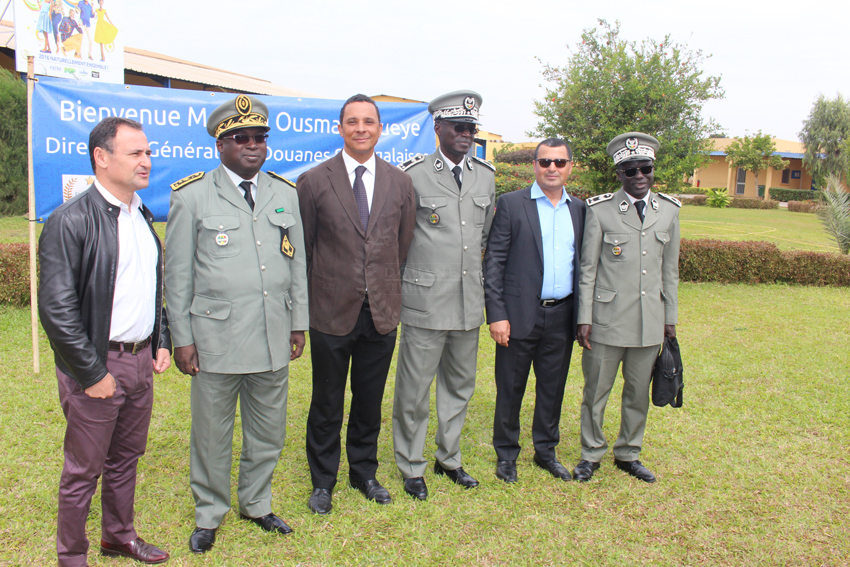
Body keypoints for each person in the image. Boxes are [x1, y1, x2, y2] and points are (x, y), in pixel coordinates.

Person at [164, 95, 308, 553]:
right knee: (212, 432)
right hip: (215, 338)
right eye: (240, 138)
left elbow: (296, 264)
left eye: (259, 138)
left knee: (268, 430)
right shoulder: (191, 196)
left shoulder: (285, 193)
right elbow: (178, 275)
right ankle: (209, 512)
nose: (252, 146)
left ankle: (257, 503)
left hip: (271, 333)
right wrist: (181, 338)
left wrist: (298, 322)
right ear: (219, 145)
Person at [38, 116, 172, 567]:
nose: (146, 161)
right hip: (96, 364)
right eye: (135, 153)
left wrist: (162, 340)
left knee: (126, 459)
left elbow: (152, 289)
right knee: (83, 470)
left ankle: (118, 537)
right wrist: (91, 373)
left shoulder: (142, 217)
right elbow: (57, 311)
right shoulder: (69, 221)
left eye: (148, 152)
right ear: (102, 157)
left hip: (138, 363)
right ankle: (71, 557)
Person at [296, 94, 415, 515]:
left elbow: (401, 246)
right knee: (327, 401)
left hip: (380, 311)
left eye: (369, 121)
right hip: (330, 310)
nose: (361, 128)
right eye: (352, 121)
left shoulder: (400, 182)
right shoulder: (313, 181)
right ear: (340, 128)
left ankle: (364, 472)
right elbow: (306, 249)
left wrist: (378, 285)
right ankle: (322, 480)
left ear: (380, 128)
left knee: (369, 399)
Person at [392, 90, 495, 500]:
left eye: (471, 128)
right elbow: (397, 238)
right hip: (424, 300)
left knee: (459, 386)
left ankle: (448, 458)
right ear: (438, 128)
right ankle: (411, 465)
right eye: (458, 127)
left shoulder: (485, 175)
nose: (466, 134)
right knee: (414, 389)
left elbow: (483, 236)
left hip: (469, 300)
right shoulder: (411, 175)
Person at [573, 132, 681, 483]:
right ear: (618, 173)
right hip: (606, 321)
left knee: (637, 393)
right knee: (596, 392)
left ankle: (629, 453)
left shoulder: (669, 211)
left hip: (649, 321)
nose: (639, 176)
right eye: (629, 170)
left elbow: (670, 272)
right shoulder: (601, 209)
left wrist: (670, 320)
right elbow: (588, 268)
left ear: (653, 169)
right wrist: (584, 317)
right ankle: (591, 453)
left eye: (645, 168)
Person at [483, 137, 586, 483]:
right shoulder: (512, 204)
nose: (552, 168)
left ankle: (546, 451)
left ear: (571, 166)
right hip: (517, 315)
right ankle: (506, 455)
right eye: (545, 162)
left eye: (559, 162)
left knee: (552, 388)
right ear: (535, 166)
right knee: (510, 387)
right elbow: (494, 262)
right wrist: (496, 314)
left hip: (562, 315)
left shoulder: (580, 210)